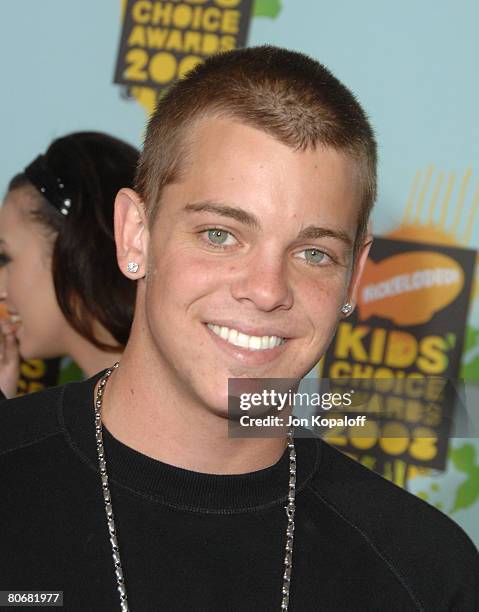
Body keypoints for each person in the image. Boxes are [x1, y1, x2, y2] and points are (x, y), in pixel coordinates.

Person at [0, 46, 477, 611]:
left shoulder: (424, 571)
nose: (267, 289)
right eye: (220, 234)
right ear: (134, 235)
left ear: (353, 279)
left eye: (314, 253)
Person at [0, 132, 138, 398]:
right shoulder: (61, 418)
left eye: (6, 258)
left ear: (74, 252)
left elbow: (245, 424)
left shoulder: (231, 383)